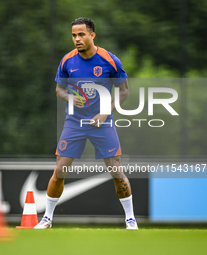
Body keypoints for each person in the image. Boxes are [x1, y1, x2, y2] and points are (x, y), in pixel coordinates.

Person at [34, 17, 138, 230]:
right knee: (60, 170)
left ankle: (130, 219)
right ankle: (47, 218)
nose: (77, 39)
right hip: (74, 122)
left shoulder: (110, 60)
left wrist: (105, 112)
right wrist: (70, 98)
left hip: (103, 123)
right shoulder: (67, 61)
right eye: (73, 35)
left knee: (116, 172)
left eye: (81, 34)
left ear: (92, 35)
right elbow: (59, 89)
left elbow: (124, 91)